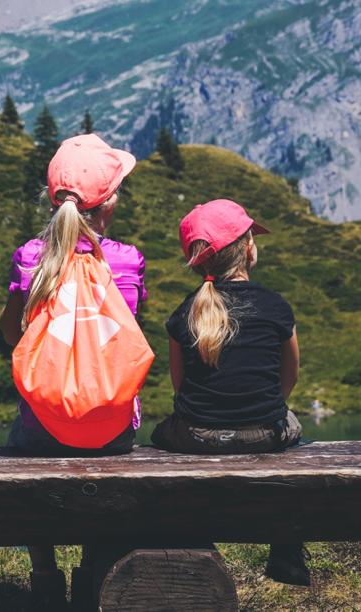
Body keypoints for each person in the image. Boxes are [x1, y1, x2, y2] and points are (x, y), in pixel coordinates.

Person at [0, 134, 146, 609]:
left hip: (42, 430)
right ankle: (89, 568)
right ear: (111, 201)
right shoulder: (126, 261)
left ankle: (44, 573)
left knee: (20, 435)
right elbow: (121, 337)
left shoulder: (28, 257)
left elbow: (10, 336)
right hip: (114, 431)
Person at [151, 199, 307, 585]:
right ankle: (286, 550)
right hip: (265, 434)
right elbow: (289, 378)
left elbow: (180, 387)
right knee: (292, 423)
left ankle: (194, 538)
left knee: (160, 433)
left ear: (199, 263)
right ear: (248, 248)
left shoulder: (184, 311)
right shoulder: (276, 306)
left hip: (198, 435)